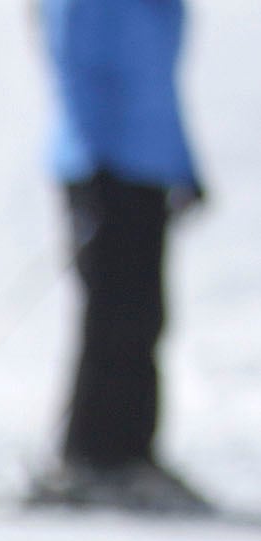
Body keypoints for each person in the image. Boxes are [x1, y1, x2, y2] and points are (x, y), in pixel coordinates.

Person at [31, 0, 215, 513]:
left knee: (145, 316)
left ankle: (131, 453)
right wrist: (93, 157)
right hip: (104, 166)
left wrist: (183, 166)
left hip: (147, 167)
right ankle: (90, 456)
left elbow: (158, 83)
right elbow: (71, 59)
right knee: (111, 316)